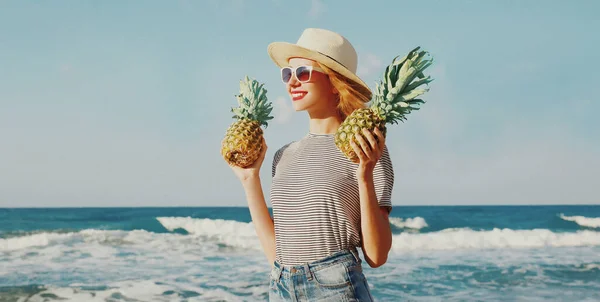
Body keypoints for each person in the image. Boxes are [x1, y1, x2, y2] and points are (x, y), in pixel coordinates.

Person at [228, 28, 394, 301]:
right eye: (287, 74)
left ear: (333, 81)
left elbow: (377, 256)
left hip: (336, 288)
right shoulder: (283, 155)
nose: (292, 82)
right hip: (281, 287)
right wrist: (250, 180)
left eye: (303, 72)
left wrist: (364, 175)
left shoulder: (366, 147)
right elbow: (277, 254)